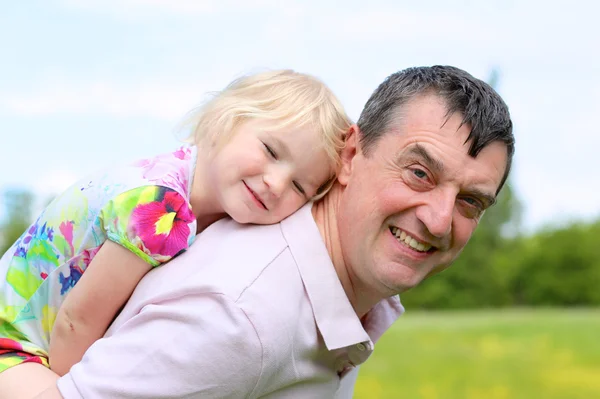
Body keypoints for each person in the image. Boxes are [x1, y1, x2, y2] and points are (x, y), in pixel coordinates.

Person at [37, 65, 514, 398]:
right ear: (351, 155)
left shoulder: (343, 292)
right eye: (418, 173)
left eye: (470, 201)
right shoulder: (238, 316)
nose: (437, 219)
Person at [0, 69, 352, 399]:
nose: (275, 183)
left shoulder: (208, 197)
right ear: (224, 122)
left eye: (299, 185)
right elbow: (77, 323)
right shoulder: (160, 207)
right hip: (13, 343)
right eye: (271, 151)